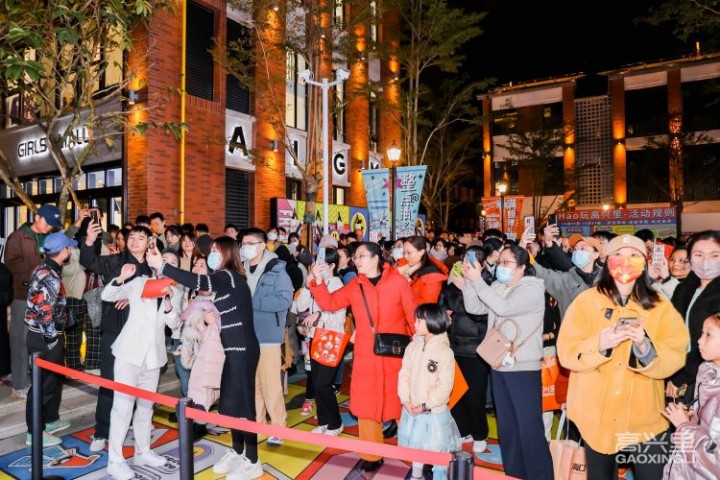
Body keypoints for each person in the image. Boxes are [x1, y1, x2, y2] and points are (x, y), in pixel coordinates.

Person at [557, 234, 690, 480]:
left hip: (646, 417)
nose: (625, 261)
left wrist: (644, 346)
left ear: (644, 263)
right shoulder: (587, 301)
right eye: (618, 254)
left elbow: (676, 352)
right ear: (608, 262)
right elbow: (567, 351)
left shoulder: (659, 305)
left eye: (634, 255)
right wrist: (601, 344)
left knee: (652, 474)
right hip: (596, 415)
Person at [147, 236, 262, 479]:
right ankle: (238, 452)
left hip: (242, 350)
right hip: (231, 351)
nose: (212, 255)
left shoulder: (230, 276)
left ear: (228, 253)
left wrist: (163, 266)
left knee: (244, 406)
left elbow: (199, 281)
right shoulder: (226, 279)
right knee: (231, 405)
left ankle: (253, 461)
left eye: (217, 250)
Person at [309, 241, 416, 472]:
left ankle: (415, 453)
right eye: (355, 257)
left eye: (361, 256)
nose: (356, 260)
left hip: (396, 356)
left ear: (376, 258)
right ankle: (371, 454)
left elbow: (412, 316)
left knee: (403, 402)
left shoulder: (398, 282)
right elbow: (330, 303)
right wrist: (318, 281)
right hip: (367, 356)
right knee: (367, 406)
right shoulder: (355, 285)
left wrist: (421, 347)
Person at [460, 243, 553, 480]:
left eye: (506, 262)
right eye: (499, 261)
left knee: (529, 427)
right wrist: (470, 281)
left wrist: (479, 282)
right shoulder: (498, 286)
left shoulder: (531, 288)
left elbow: (504, 308)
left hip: (523, 367)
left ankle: (540, 476)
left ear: (521, 267)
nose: (500, 266)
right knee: (508, 426)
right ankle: (514, 474)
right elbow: (475, 307)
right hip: (499, 362)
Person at [101, 258, 181, 480]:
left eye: (173, 262)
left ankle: (142, 452)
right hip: (129, 354)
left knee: (146, 408)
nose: (167, 265)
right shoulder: (138, 283)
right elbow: (107, 295)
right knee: (122, 408)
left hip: (153, 358)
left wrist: (168, 302)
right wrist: (121, 278)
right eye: (165, 260)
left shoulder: (175, 291)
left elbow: (175, 323)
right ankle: (115, 461)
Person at [80, 222, 153, 452]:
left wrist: (133, 297)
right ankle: (102, 431)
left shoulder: (153, 266)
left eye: (141, 238)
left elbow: (161, 292)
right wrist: (89, 241)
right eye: (132, 237)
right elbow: (89, 262)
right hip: (115, 329)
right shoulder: (115, 261)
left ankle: (131, 422)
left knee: (137, 381)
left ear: (149, 243)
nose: (135, 241)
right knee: (109, 381)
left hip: (141, 332)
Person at [241, 227, 294, 446]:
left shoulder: (276, 269)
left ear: (262, 245)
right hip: (246, 334)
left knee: (270, 384)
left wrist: (254, 302)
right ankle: (259, 423)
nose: (246, 247)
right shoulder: (241, 268)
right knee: (252, 384)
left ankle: (278, 427)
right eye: (243, 244)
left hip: (268, 336)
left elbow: (285, 300)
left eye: (250, 243)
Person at [397, 303, 461, 480]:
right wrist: (405, 399)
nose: (414, 324)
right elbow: (404, 374)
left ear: (432, 322)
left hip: (433, 413)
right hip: (412, 409)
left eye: (419, 320)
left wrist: (425, 406)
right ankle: (416, 476)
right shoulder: (412, 347)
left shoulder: (444, 352)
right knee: (417, 446)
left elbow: (445, 386)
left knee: (437, 451)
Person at [24, 232, 76, 447]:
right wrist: (52, 339)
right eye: (68, 247)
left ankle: (49, 420)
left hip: (40, 335)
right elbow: (44, 310)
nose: (70, 250)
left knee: (52, 381)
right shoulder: (50, 276)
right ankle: (34, 432)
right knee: (42, 386)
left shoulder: (45, 268)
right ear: (63, 251)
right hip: (44, 338)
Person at [6, 203, 62, 400]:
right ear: (37, 217)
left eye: (52, 224)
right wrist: (35, 272)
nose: (50, 227)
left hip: (42, 297)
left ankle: (28, 376)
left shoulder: (46, 237)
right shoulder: (19, 236)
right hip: (22, 295)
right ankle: (19, 384)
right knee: (20, 340)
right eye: (48, 222)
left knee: (34, 339)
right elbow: (10, 264)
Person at [662, 313, 720, 479]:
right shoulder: (707, 370)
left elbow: (714, 461)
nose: (699, 341)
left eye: (708, 335)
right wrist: (691, 417)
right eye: (702, 333)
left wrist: (684, 425)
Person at [296, 248, 347, 436]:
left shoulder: (336, 284)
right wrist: (307, 285)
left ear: (332, 266)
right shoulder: (315, 282)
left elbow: (338, 317)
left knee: (324, 384)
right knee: (317, 383)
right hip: (314, 337)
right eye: (316, 263)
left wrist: (318, 315)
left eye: (322, 264)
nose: (318, 267)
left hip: (330, 339)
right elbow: (300, 306)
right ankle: (324, 421)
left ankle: (335, 423)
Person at [446, 245, 490, 454]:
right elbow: (449, 305)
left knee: (474, 395)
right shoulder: (456, 280)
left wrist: (466, 288)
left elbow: (480, 315)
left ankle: (480, 434)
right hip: (455, 344)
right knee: (455, 392)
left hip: (476, 348)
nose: (465, 266)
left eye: (470, 262)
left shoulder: (488, 283)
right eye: (463, 261)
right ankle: (464, 430)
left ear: (482, 265)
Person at [668, 231, 720, 405]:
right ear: (690, 257)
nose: (706, 261)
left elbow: (712, 344)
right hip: (676, 366)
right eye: (699, 255)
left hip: (707, 375)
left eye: (714, 255)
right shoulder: (684, 289)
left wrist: (682, 377)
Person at [400, 235, 449, 305]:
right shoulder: (408, 264)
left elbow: (426, 306)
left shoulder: (433, 276)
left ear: (422, 252)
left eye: (409, 253)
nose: (405, 256)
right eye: (404, 253)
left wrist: (405, 287)